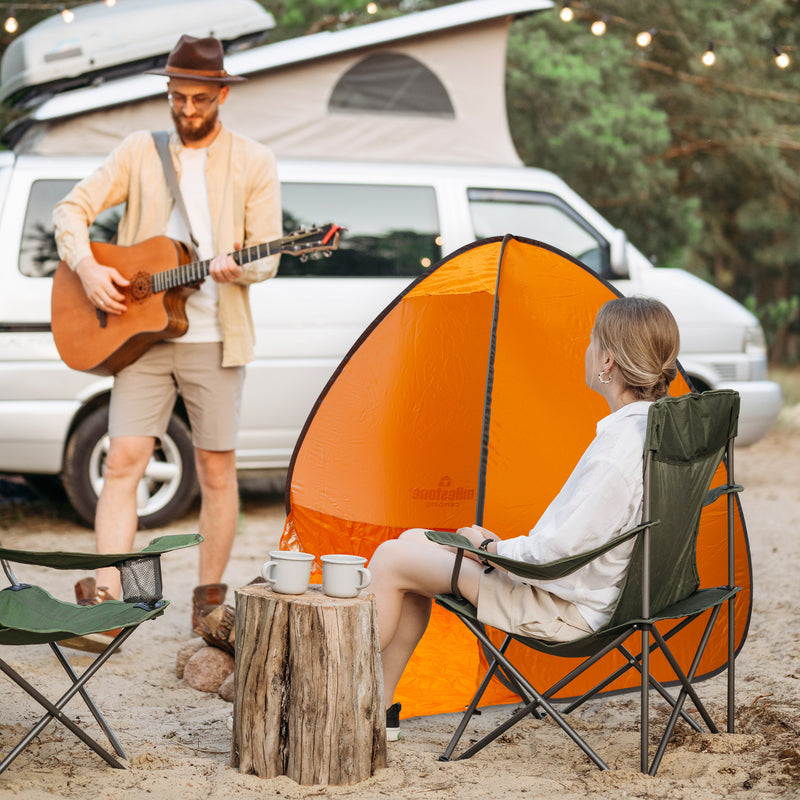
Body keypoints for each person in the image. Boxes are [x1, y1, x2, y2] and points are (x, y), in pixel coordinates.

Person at [52, 34, 282, 646]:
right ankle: (104, 603)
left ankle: (208, 608)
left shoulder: (255, 161)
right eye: (177, 96)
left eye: (199, 98)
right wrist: (88, 268)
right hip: (141, 337)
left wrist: (242, 265)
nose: (185, 109)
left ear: (222, 95)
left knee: (214, 469)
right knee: (124, 459)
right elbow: (70, 211)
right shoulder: (139, 151)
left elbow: (270, 256)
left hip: (214, 335)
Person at [368, 296, 680, 740]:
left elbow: (557, 553)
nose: (588, 350)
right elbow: (575, 541)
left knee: (390, 559)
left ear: (607, 360)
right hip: (594, 590)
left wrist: (491, 550)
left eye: (592, 342)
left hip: (565, 607)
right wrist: (498, 549)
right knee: (415, 541)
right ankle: (377, 710)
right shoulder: (653, 430)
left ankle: (341, 692)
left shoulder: (618, 451)